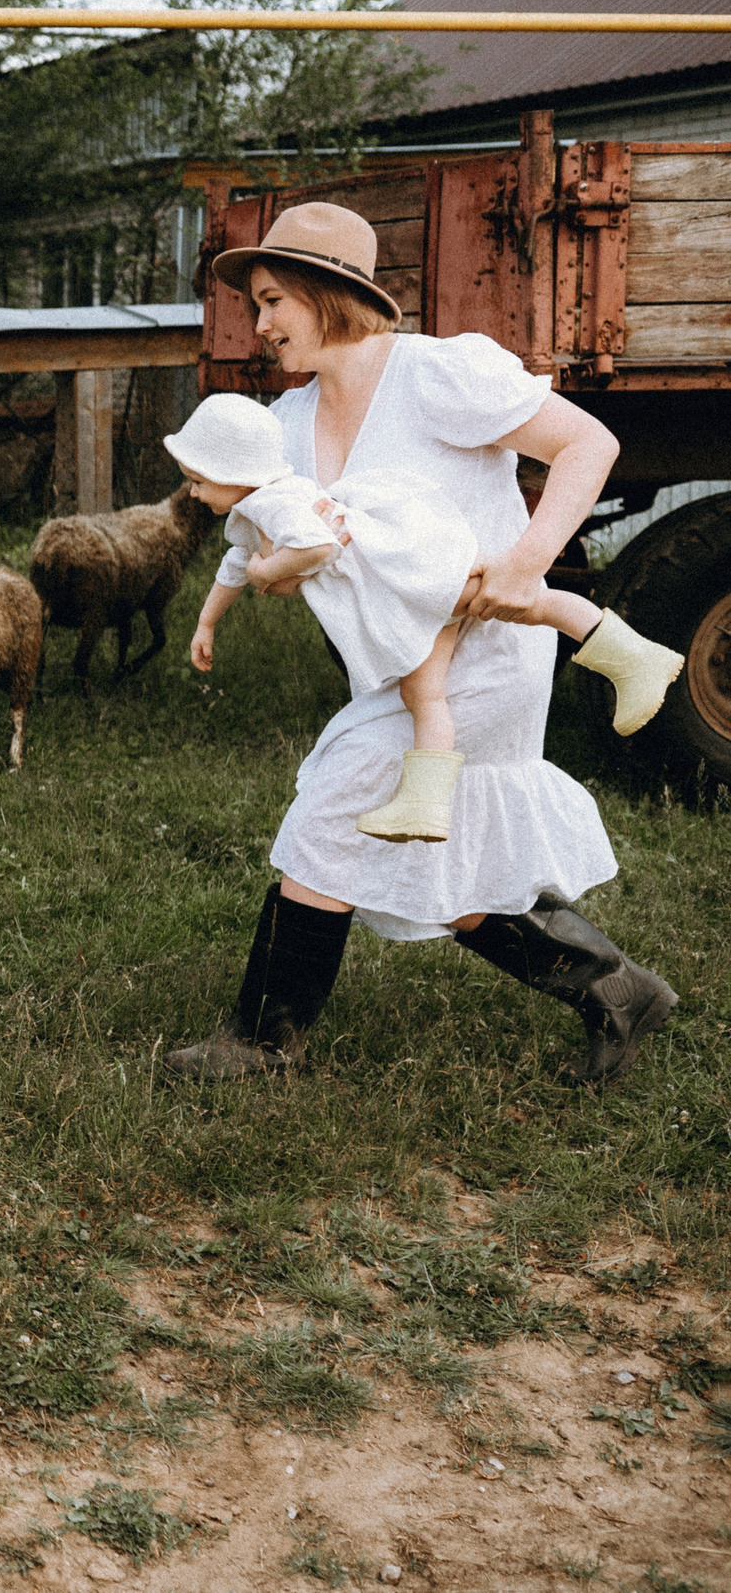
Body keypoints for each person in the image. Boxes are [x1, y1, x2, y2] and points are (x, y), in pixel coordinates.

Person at [162, 202, 678, 1088]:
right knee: (460, 885)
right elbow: (271, 542)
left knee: (330, 806)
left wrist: (527, 563)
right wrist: (269, 580)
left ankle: (261, 1041)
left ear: (331, 293)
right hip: (402, 669)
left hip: (487, 658)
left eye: (275, 298)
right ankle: (618, 989)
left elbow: (587, 442)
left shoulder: (437, 375)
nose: (263, 324)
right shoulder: (283, 426)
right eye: (257, 304)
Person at [169, 392, 683, 843]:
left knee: (531, 603)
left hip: (410, 576)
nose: (192, 492)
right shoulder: (251, 511)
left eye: (198, 481)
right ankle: (426, 802)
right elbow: (234, 566)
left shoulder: (276, 501)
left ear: (236, 473)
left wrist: (269, 565)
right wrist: (207, 622)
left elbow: (316, 546)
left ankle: (636, 658)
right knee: (423, 694)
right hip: (408, 602)